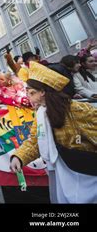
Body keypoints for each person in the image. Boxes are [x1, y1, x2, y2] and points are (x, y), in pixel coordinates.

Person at [10, 62, 97, 203]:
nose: (29, 99)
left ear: (43, 92)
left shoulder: (76, 110)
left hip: (88, 173)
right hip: (63, 172)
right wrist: (19, 157)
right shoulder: (40, 114)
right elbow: (35, 141)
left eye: (32, 93)